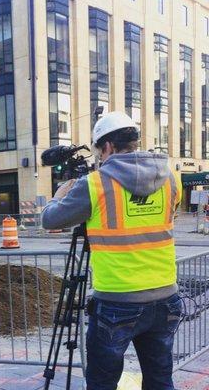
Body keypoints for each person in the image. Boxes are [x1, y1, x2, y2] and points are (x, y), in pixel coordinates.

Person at [41, 111, 182, 390]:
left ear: (107, 147)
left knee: (102, 383)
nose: (99, 158)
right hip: (166, 295)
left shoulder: (96, 184)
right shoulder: (170, 178)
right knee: (160, 380)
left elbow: (50, 220)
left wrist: (59, 196)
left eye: (98, 151)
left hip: (118, 302)